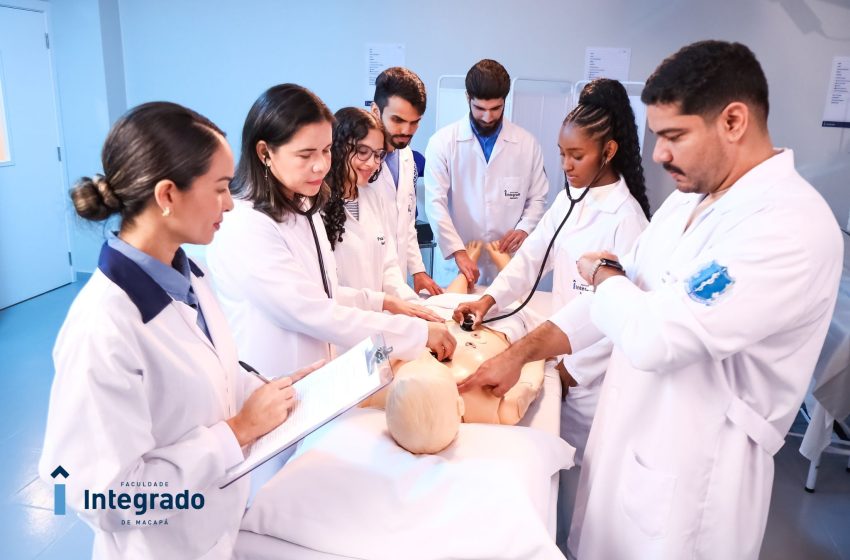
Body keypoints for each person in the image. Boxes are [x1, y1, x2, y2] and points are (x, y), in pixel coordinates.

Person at [459, 41, 843, 559]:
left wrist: (603, 275)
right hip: (630, 447)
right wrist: (518, 355)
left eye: (674, 136)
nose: (658, 154)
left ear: (733, 121)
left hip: (693, 480)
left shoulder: (788, 225)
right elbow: (611, 301)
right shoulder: (687, 205)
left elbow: (656, 335)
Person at [39, 102, 318, 559]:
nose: (230, 203)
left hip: (216, 529)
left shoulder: (189, 277)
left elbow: (209, 377)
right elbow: (105, 499)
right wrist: (237, 432)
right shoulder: (103, 327)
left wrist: (274, 391)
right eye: (221, 188)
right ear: (168, 195)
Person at [452, 77, 651, 546]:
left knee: (582, 489)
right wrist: (487, 300)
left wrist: (570, 374)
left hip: (590, 382)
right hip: (559, 357)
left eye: (576, 156)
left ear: (608, 152)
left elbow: (617, 317)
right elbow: (529, 258)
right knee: (553, 484)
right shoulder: (570, 199)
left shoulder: (628, 221)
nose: (566, 166)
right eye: (562, 154)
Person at [207, 84, 456, 378]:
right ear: (265, 152)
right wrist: (416, 332)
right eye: (306, 155)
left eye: (326, 151)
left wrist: (383, 302)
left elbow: (327, 292)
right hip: (271, 383)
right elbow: (311, 311)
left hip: (319, 378)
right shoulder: (245, 223)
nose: (321, 166)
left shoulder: (303, 204)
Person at [424, 59, 548, 287]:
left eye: (495, 109)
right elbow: (435, 203)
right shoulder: (442, 143)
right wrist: (457, 250)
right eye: (480, 109)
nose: (488, 117)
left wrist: (524, 228)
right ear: (467, 98)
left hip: (507, 262)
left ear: (505, 101)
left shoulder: (527, 144)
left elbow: (538, 198)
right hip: (458, 266)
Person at [322, 107, 428, 303]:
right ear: (338, 147)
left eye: (378, 154)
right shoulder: (317, 207)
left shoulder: (372, 196)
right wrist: (385, 304)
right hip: (342, 318)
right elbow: (324, 289)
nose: (372, 163)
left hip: (378, 317)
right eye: (363, 152)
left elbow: (389, 266)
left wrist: (412, 305)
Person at [371, 67, 442, 295]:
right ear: (375, 111)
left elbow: (407, 222)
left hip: (398, 283)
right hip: (365, 283)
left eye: (414, 122)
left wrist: (418, 270)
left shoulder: (407, 156)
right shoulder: (357, 163)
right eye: (397, 120)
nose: (406, 130)